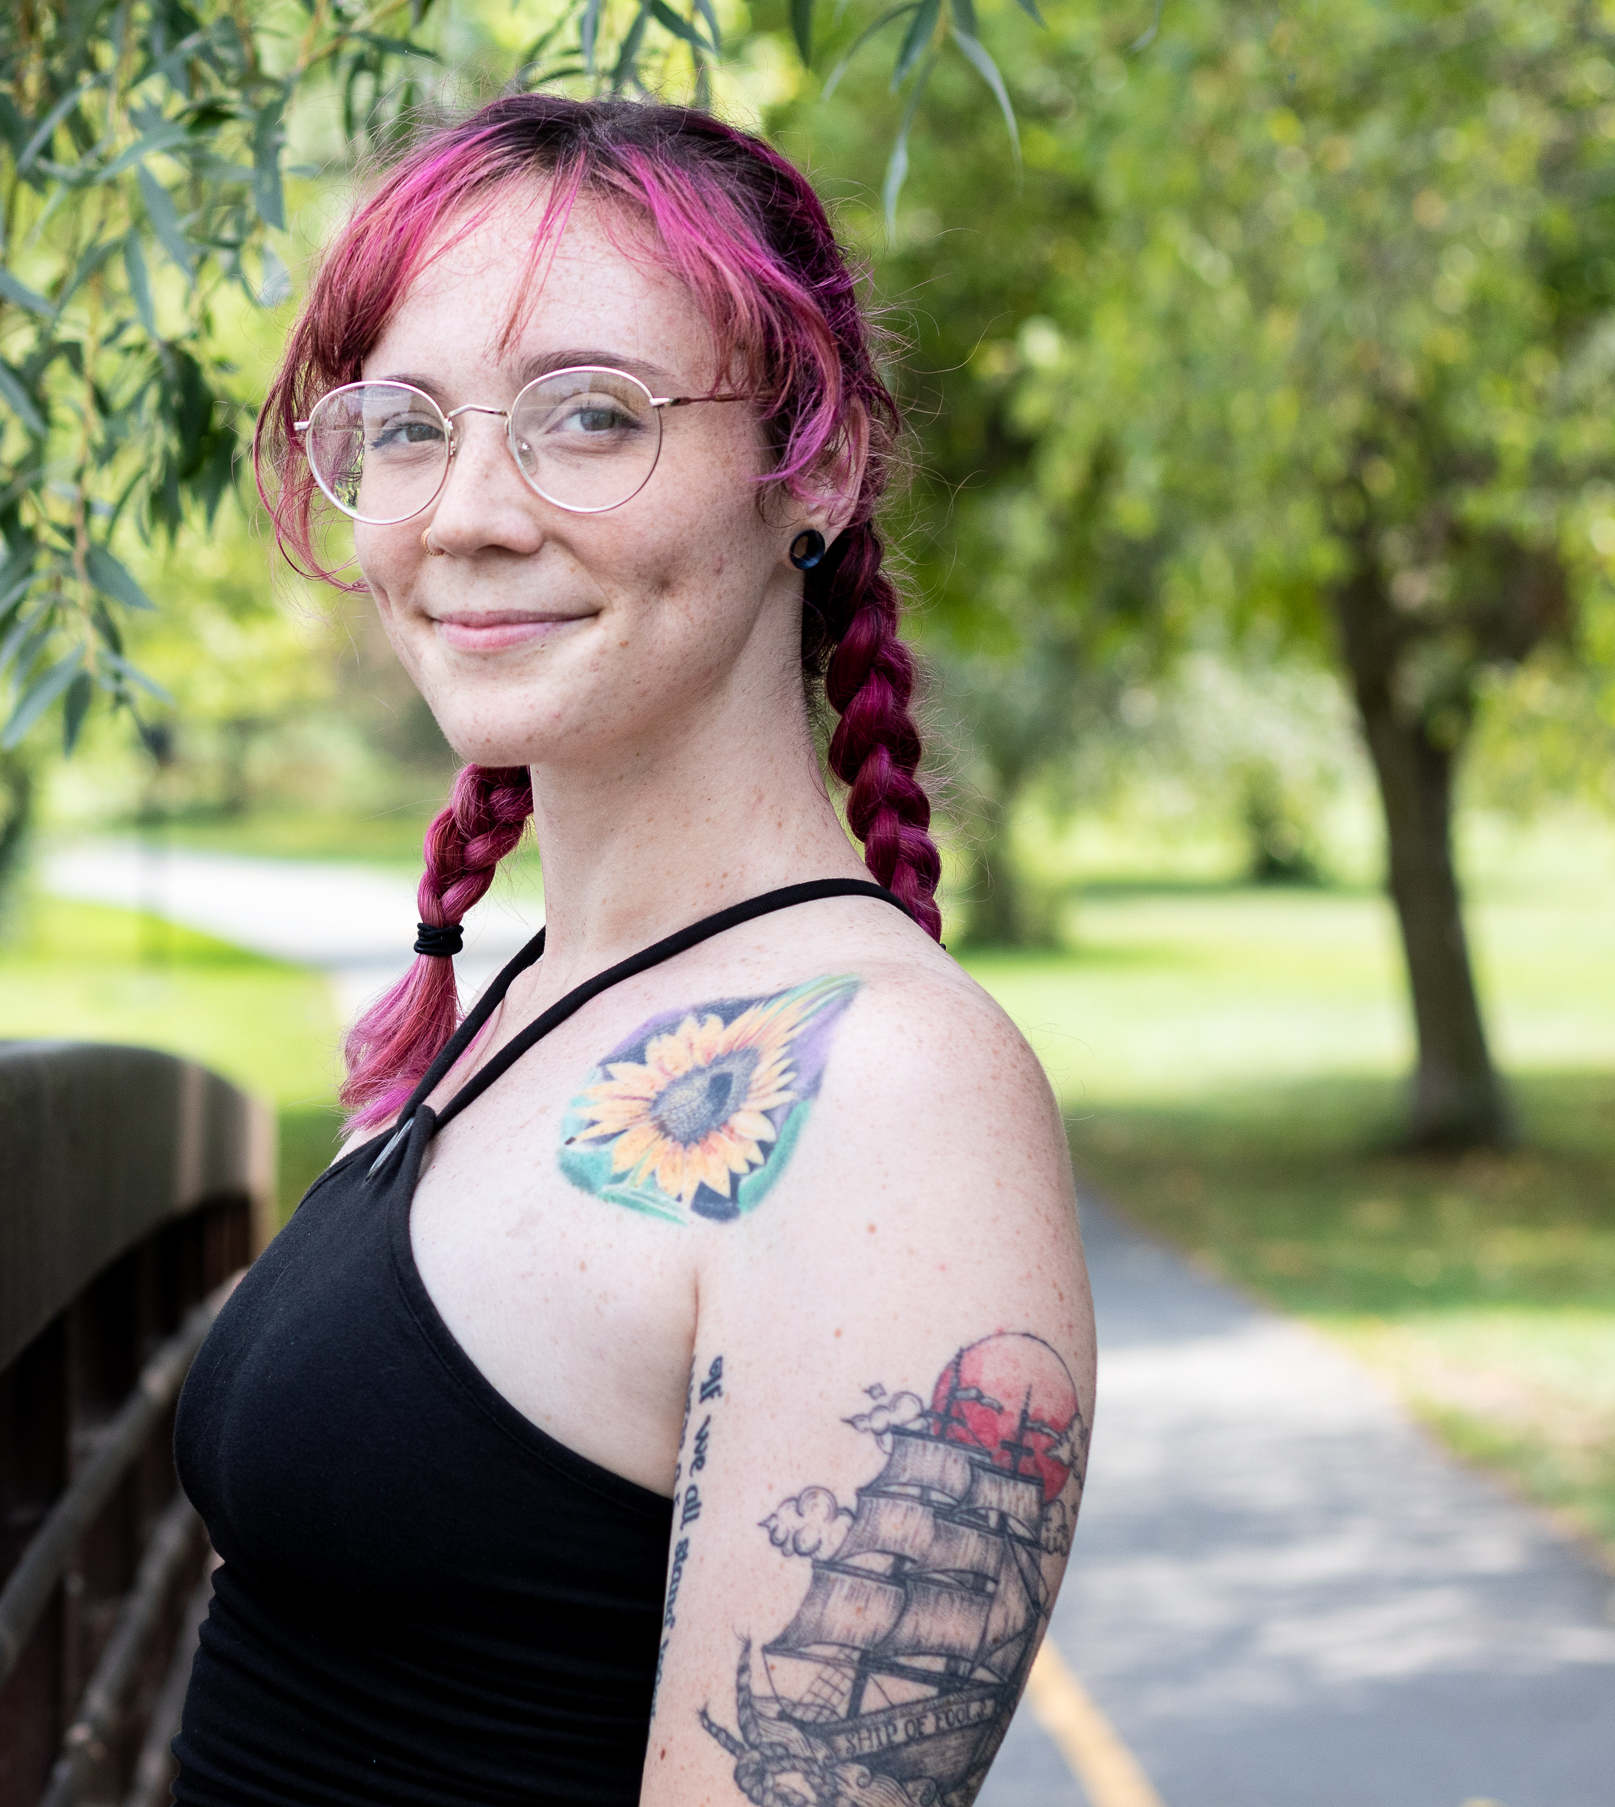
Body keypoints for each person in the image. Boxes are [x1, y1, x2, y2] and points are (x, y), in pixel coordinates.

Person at [170, 95, 1094, 1807]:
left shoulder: (889, 1095)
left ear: (809, 461)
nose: (465, 514)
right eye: (403, 427)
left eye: (588, 418)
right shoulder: (532, 1000)